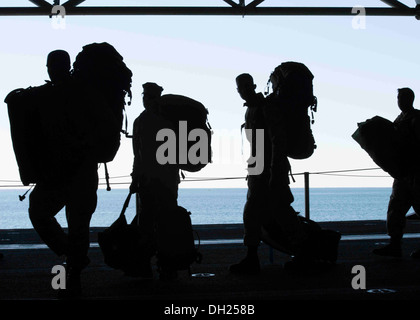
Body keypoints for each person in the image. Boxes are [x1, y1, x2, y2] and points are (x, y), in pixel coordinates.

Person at [28, 50, 99, 298]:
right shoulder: (84, 93)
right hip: (83, 174)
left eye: (51, 65)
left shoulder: (51, 95)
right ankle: (74, 265)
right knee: (78, 226)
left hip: (61, 173)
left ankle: (72, 264)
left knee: (39, 211)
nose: (50, 70)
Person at [229, 73, 310, 275]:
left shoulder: (266, 107)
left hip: (273, 168)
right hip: (257, 168)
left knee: (281, 210)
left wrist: (275, 172)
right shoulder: (250, 110)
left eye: (247, 86)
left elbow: (278, 140)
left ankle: (304, 255)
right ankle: (252, 257)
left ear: (254, 85)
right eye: (241, 87)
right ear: (238, 91)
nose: (245, 90)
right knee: (252, 213)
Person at [130, 82, 181, 280]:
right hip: (169, 180)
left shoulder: (141, 121)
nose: (145, 99)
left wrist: (135, 178)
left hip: (149, 181)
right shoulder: (170, 120)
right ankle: (168, 266)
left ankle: (144, 266)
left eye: (146, 96)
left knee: (147, 224)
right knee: (167, 222)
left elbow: (138, 154)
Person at [373, 88, 420, 258]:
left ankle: (395, 245)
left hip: (415, 173)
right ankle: (394, 244)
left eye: (402, 98)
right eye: (398, 98)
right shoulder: (401, 119)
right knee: (395, 209)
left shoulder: (415, 119)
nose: (399, 101)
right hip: (403, 172)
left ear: (410, 99)